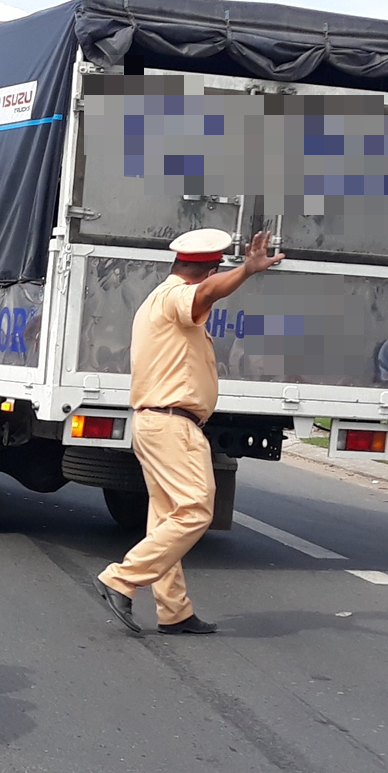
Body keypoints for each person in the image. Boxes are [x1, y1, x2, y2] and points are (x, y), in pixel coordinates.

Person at [92, 228, 283, 633]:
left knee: (166, 521)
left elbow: (205, 293)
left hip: (157, 422)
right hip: (171, 424)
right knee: (196, 509)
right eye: (217, 271)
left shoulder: (156, 300)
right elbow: (205, 294)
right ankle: (121, 579)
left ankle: (174, 611)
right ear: (209, 268)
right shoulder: (176, 296)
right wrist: (247, 270)